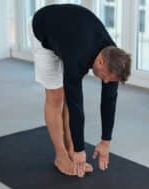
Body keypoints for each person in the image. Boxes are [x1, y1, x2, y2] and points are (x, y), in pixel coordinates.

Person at [29, 4, 131, 178]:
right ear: (100, 62)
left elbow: (109, 100)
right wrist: (80, 150)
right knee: (56, 95)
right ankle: (61, 157)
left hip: (68, 32)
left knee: (69, 99)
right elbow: (76, 103)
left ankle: (70, 150)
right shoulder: (78, 57)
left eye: (110, 80)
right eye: (106, 77)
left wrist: (105, 141)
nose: (106, 82)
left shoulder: (113, 58)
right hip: (43, 28)